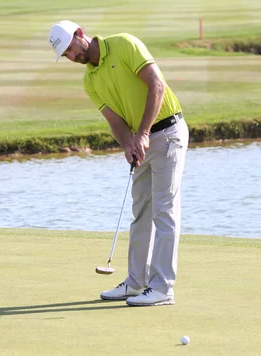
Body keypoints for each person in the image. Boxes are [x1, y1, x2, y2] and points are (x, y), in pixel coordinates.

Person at [48, 20, 188, 306]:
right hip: (141, 140)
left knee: (164, 211)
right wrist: (129, 144)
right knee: (141, 213)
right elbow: (115, 121)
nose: (72, 57)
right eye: (66, 56)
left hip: (168, 133)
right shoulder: (90, 80)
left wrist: (144, 134)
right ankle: (136, 282)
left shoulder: (124, 44)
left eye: (70, 49)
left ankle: (163, 288)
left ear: (80, 34)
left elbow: (156, 85)